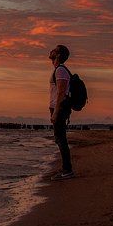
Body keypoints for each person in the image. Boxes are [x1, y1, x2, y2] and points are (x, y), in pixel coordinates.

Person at [49, 45, 74, 179]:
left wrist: (56, 112)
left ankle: (67, 170)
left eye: (54, 49)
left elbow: (61, 93)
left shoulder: (60, 71)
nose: (51, 50)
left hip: (60, 107)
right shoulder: (58, 70)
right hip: (58, 107)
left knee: (61, 139)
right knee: (60, 139)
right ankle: (66, 169)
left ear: (58, 55)